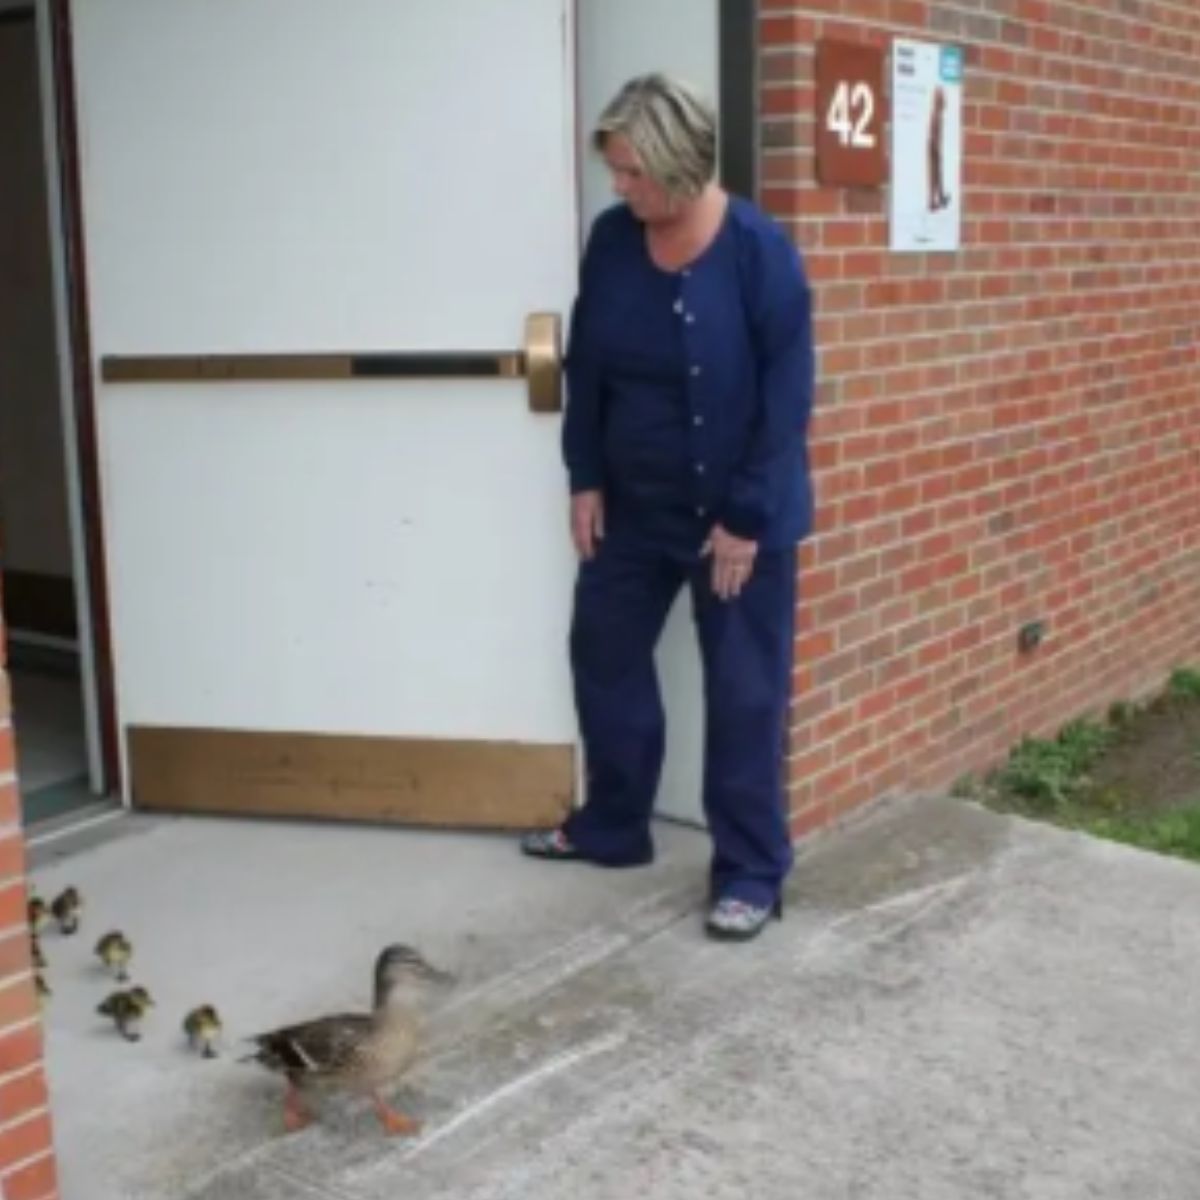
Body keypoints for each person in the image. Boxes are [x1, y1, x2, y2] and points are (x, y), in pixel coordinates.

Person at [521, 73, 815, 942]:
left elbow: (786, 399)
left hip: (737, 522)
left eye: (632, 171)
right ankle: (614, 827)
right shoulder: (615, 242)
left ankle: (752, 870)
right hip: (635, 510)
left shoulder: (762, 252)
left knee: (743, 693)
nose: (620, 186)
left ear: (681, 166)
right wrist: (584, 476)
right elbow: (591, 370)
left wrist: (748, 518)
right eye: (615, 170)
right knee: (602, 652)